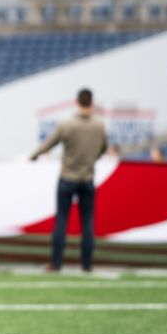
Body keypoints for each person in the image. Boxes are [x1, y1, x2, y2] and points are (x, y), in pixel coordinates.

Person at [30, 87, 107, 273]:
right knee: (87, 222)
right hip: (88, 177)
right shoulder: (99, 126)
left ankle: (56, 263)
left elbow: (48, 144)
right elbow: (103, 149)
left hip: (67, 177)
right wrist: (91, 161)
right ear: (92, 103)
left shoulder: (67, 125)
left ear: (77, 102)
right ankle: (86, 265)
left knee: (62, 220)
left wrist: (34, 156)